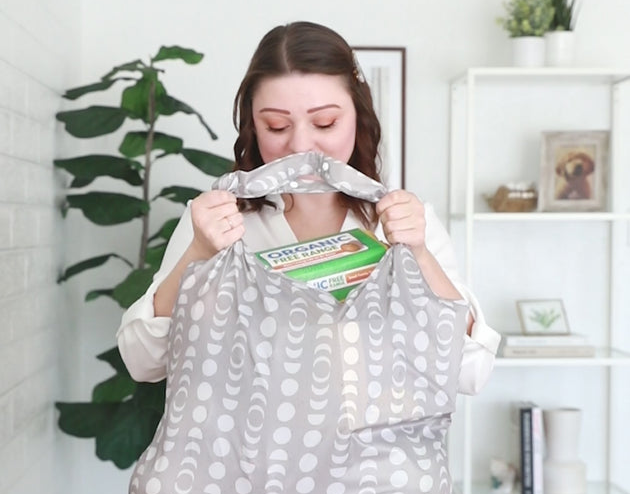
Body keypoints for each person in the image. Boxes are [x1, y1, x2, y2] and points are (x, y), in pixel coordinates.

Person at [117, 21, 499, 397]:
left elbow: (469, 372)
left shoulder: (405, 224)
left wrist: (418, 254)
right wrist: (199, 254)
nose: (301, 146)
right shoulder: (216, 222)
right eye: (277, 126)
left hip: (379, 456)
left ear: (358, 116)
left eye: (324, 122)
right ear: (253, 126)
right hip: (245, 457)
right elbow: (144, 362)